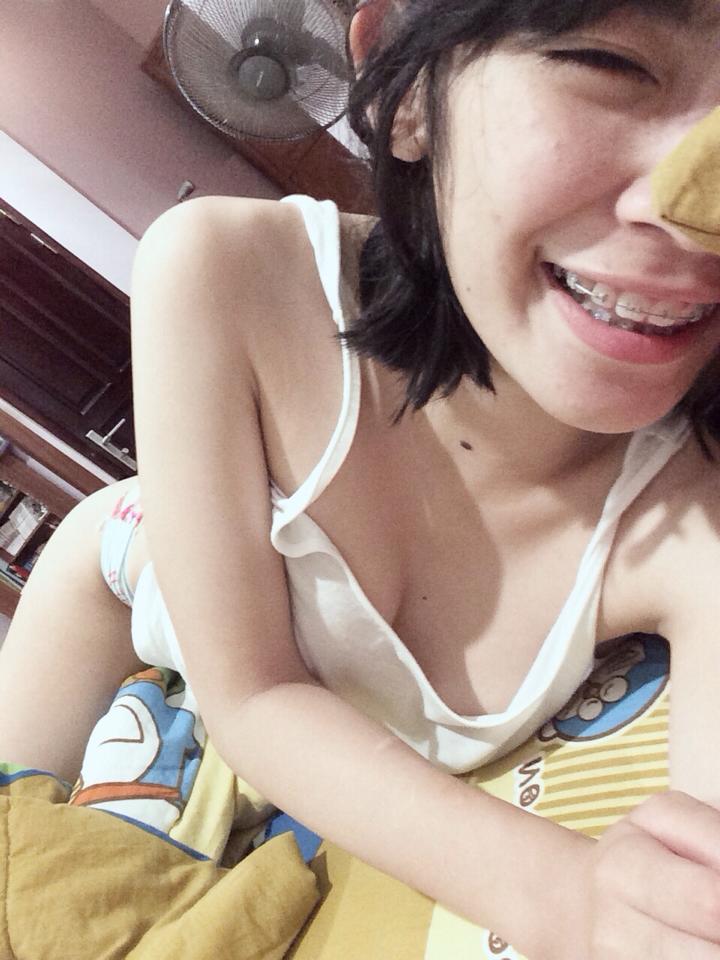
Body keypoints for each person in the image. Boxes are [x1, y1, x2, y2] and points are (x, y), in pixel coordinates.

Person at [2, 0, 720, 955]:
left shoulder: (688, 514)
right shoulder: (224, 267)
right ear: (406, 89)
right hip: (124, 566)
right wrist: (563, 890)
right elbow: (253, 695)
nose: (690, 210)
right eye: (609, 64)